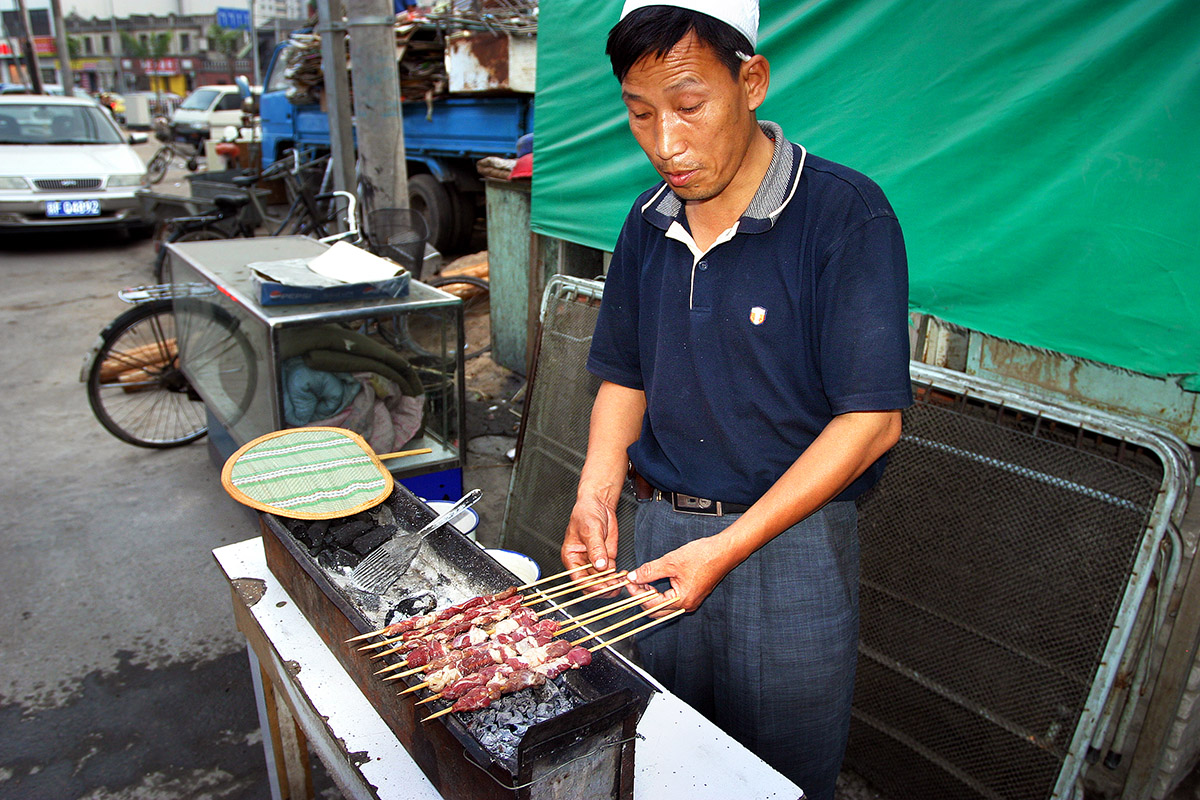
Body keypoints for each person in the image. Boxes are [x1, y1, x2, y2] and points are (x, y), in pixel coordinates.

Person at [560, 1, 913, 797]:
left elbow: (873, 421)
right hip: (653, 538)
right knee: (658, 758)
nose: (665, 144)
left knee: (776, 776)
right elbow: (626, 375)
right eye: (640, 115)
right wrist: (596, 493)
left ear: (750, 81)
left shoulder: (842, 214)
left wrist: (727, 546)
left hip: (790, 549)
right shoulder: (647, 222)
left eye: (689, 107)